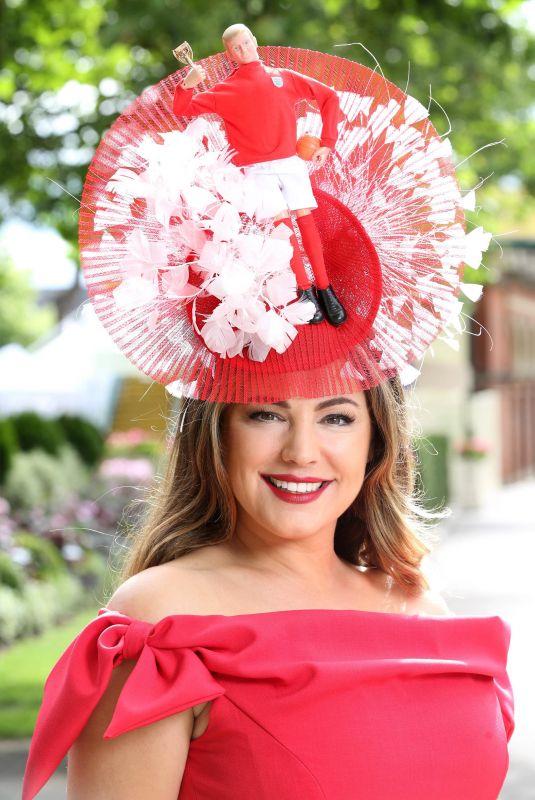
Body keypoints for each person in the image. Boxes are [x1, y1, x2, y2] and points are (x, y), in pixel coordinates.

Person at [22, 40, 514, 800]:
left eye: (338, 417)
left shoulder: (419, 606)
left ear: (379, 440)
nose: (302, 451)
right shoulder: (161, 624)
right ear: (214, 434)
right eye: (264, 413)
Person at [173, 24, 347, 327]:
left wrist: (328, 142)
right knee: (284, 229)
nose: (244, 50)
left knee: (305, 221)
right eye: (236, 48)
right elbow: (183, 107)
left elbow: (329, 97)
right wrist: (188, 83)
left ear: (255, 41)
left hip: (290, 161)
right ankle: (304, 289)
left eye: (246, 43)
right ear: (229, 54)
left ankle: (324, 286)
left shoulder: (284, 78)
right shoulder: (224, 91)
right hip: (256, 170)